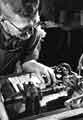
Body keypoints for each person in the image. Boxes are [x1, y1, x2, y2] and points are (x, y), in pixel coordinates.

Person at [0, 0, 56, 120]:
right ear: (3, 22)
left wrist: (35, 65)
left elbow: (27, 59)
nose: (30, 34)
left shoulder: (31, 28)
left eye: (34, 24)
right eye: (24, 30)